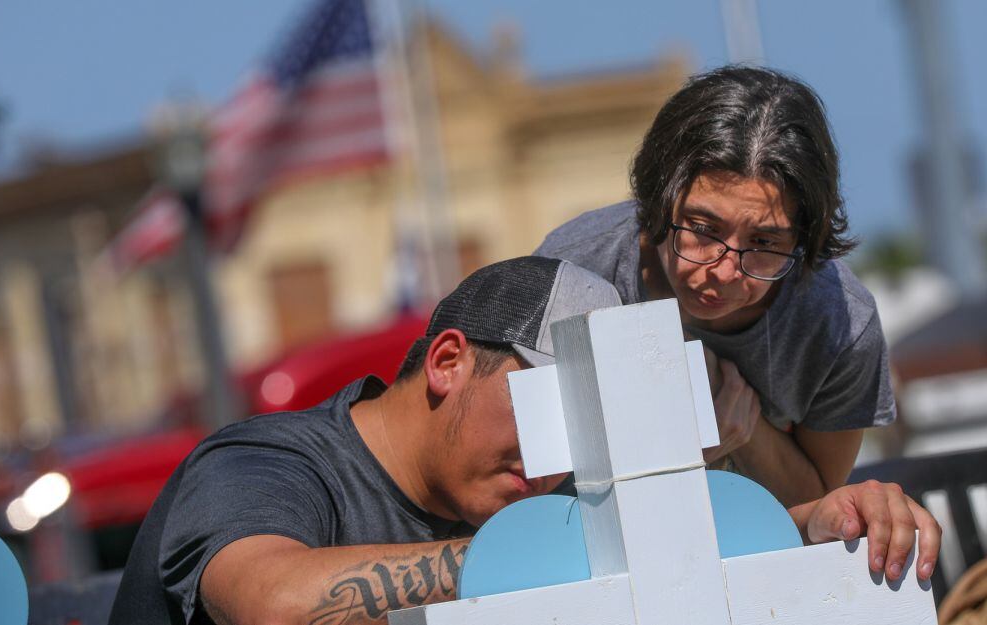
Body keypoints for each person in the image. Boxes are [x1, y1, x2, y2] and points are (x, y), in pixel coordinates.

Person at [109, 257, 940, 625]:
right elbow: (274, 605)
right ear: (447, 362)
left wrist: (821, 525)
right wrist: (535, 555)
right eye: (551, 412)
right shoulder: (262, 463)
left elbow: (665, 553)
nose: (559, 460)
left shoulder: (531, 488)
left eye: (589, 430)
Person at [537, 65, 892, 507]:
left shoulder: (840, 323)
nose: (724, 272)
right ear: (659, 196)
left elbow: (817, 505)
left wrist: (744, 430)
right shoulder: (571, 270)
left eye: (764, 242)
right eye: (703, 229)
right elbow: (515, 474)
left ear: (804, 237)